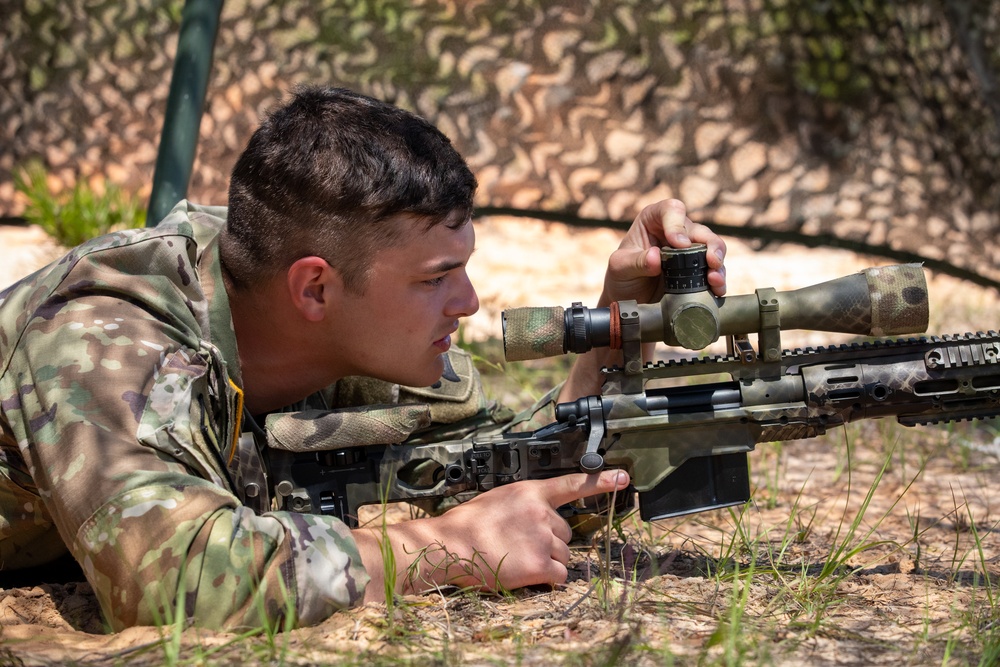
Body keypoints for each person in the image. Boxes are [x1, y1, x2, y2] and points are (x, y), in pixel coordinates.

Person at [0, 86, 727, 630]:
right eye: (435, 277)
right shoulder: (104, 334)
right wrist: (437, 548)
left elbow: (496, 461)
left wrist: (618, 329)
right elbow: (174, 577)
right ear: (315, 287)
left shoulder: (341, 320)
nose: (468, 303)